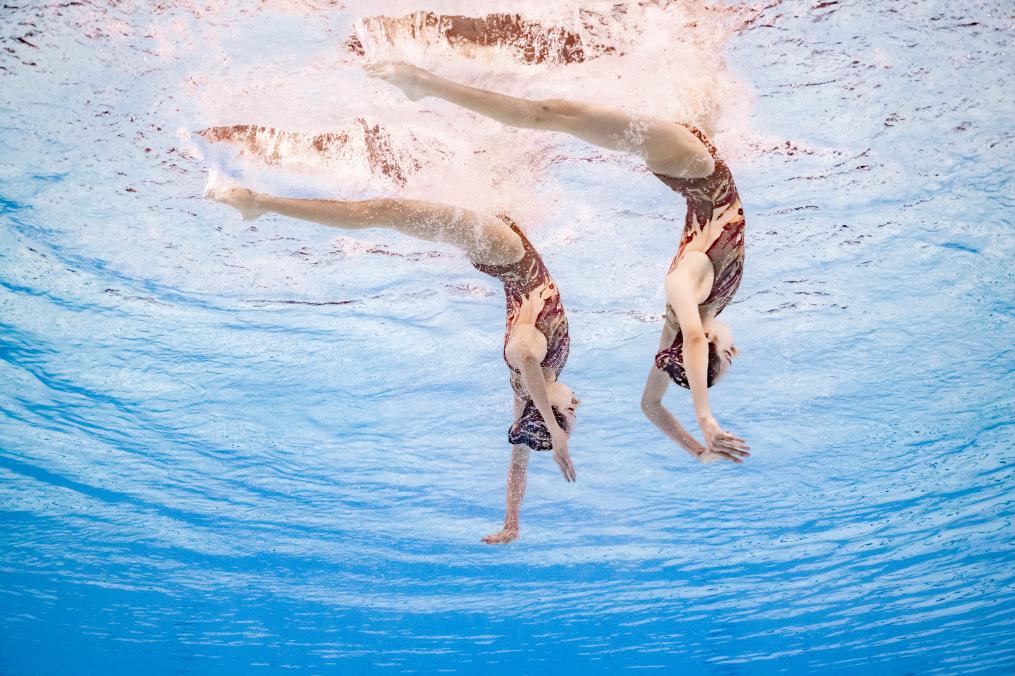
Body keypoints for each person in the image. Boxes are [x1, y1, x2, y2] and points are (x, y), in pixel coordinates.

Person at [366, 61, 749, 464]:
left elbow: (687, 350)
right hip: (694, 162)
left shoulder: (690, 291)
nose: (736, 350)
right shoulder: (691, 313)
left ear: (709, 344)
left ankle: (428, 84)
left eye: (729, 355)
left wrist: (705, 419)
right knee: (701, 80)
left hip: (694, 166)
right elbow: (651, 404)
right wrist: (698, 450)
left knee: (552, 115)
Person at [206, 186, 580, 543]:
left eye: (571, 410)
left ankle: (260, 203)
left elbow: (525, 354)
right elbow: (518, 462)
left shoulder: (529, 358)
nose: (577, 402)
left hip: (504, 252)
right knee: (410, 199)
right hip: (504, 244)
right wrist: (512, 521)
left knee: (385, 211)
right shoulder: (534, 386)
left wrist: (555, 431)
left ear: (548, 407)